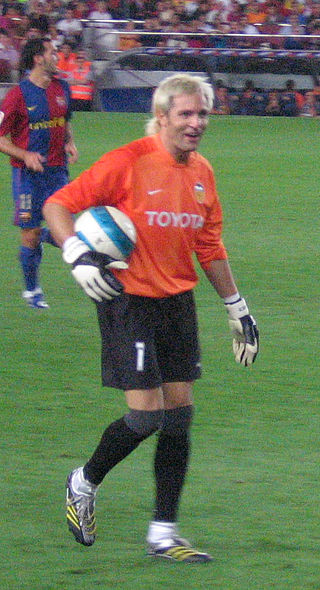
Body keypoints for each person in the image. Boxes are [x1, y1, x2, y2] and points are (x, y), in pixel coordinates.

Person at [43, 73, 259, 562]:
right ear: (161, 117)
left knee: (180, 416)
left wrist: (235, 305)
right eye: (186, 113)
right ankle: (84, 481)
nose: (197, 122)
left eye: (202, 113)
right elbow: (59, 204)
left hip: (177, 303)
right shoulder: (128, 162)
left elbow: (209, 244)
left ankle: (163, 533)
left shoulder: (202, 171)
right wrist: (75, 251)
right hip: (128, 301)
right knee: (146, 417)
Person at [0, 37, 78, 309]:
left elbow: (65, 120)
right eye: (52, 52)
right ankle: (32, 290)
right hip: (27, 176)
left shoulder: (62, 88)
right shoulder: (17, 95)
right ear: (38, 58)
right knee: (29, 235)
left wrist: (69, 141)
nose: (58, 55)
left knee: (69, 233)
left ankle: (48, 235)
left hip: (57, 173)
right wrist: (25, 155)